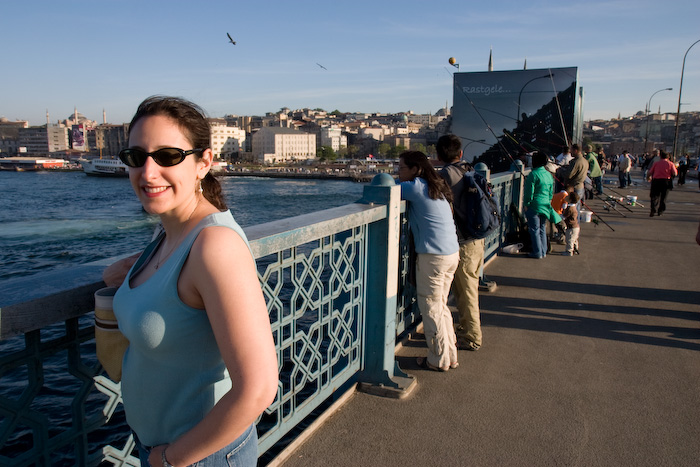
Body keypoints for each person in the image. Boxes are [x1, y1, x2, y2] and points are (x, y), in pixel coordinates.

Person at [111, 96, 278, 467]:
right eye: (137, 157)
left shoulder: (215, 246)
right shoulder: (170, 230)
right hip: (163, 446)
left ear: (204, 163)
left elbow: (259, 388)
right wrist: (119, 273)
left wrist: (170, 458)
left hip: (199, 455)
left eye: (168, 156)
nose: (148, 172)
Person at [398, 150, 460, 371]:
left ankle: (438, 360)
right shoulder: (437, 187)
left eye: (401, 168)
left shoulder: (414, 186)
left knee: (431, 307)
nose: (397, 172)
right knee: (440, 305)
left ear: (415, 170)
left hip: (434, 257)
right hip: (451, 253)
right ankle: (450, 355)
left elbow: (381, 191)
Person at [436, 134, 483, 352]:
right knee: (468, 288)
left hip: (463, 240)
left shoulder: (446, 174)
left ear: (438, 155)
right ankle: (465, 330)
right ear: (460, 153)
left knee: (466, 291)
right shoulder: (469, 168)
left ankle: (472, 337)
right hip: (476, 237)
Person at [524, 152, 562, 259]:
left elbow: (529, 192)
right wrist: (549, 201)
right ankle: (543, 251)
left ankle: (537, 252)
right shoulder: (548, 174)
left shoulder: (533, 174)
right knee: (542, 228)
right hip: (546, 205)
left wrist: (527, 204)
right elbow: (551, 192)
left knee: (534, 230)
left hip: (534, 205)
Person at [646, 149, 678, 217]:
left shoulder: (656, 163)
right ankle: (660, 211)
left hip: (656, 181)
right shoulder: (670, 164)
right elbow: (675, 173)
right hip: (666, 181)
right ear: (668, 157)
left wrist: (648, 177)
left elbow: (650, 172)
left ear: (660, 157)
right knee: (663, 197)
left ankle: (653, 209)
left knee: (654, 196)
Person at [565, 144, 588, 212]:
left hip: (575, 187)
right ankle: (576, 222)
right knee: (577, 208)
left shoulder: (576, 162)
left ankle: (574, 222)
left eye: (571, 150)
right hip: (581, 187)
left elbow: (569, 175)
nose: (570, 152)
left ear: (575, 150)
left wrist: (561, 171)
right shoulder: (584, 161)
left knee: (573, 209)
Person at [561, 192, 580, 256]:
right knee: (574, 239)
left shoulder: (569, 208)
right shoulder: (574, 207)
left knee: (569, 239)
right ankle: (575, 249)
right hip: (576, 226)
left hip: (571, 227)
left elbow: (564, 216)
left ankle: (569, 251)